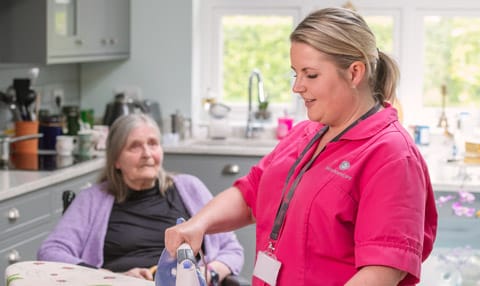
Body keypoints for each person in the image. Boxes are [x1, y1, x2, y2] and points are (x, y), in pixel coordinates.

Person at [164, 7, 438, 286]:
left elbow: (382, 271)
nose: (297, 87)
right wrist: (198, 224)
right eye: (295, 73)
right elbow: (251, 194)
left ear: (355, 73)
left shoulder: (392, 155)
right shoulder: (307, 133)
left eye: (310, 75)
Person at [38, 114, 244, 283]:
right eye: (135, 146)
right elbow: (50, 252)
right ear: (116, 160)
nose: (147, 154)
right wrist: (111, 278)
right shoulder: (92, 199)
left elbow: (232, 250)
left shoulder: (189, 187)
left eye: (153, 144)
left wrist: (209, 274)